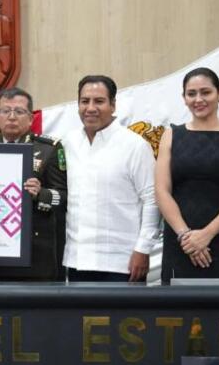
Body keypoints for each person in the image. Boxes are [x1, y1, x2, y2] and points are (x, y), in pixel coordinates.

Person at [156, 67, 219, 282]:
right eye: (191, 94)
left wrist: (206, 234)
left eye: (205, 92)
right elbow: (162, 191)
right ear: (184, 98)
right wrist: (186, 236)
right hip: (179, 241)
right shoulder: (171, 135)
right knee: (175, 312)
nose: (198, 99)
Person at [62, 75, 159, 282]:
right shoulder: (68, 143)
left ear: (113, 105)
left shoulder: (134, 145)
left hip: (123, 262)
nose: (90, 108)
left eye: (99, 101)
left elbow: (152, 198)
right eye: (84, 101)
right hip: (77, 260)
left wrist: (143, 249)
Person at [0, 87, 67, 280]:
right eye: (5, 111)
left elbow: (63, 197)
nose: (12, 117)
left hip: (34, 252)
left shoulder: (49, 149)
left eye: (19, 111)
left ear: (31, 118)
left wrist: (41, 194)